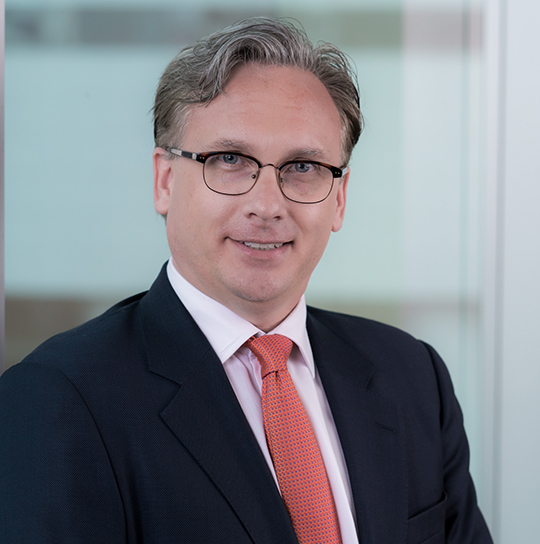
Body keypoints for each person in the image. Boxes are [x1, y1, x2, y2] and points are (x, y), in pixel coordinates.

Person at [0, 17, 492, 544]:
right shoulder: (58, 399)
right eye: (230, 160)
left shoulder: (413, 377)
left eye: (303, 166)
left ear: (339, 199)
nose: (267, 205)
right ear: (164, 181)